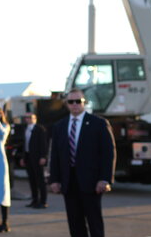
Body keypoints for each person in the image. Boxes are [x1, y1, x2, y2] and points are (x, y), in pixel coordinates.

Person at [49, 89, 116, 237]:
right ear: (66, 104)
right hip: (69, 183)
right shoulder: (59, 126)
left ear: (84, 103)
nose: (74, 105)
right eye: (70, 102)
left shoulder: (98, 123)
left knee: (94, 223)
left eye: (78, 101)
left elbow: (108, 153)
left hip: (91, 183)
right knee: (75, 223)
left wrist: (105, 179)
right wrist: (54, 179)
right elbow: (55, 155)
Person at [22, 113, 49, 209]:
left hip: (38, 157)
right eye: (27, 117)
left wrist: (43, 156)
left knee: (40, 180)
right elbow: (24, 144)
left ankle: (43, 201)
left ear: (35, 119)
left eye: (30, 117)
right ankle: (35, 200)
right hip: (29, 157)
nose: (28, 119)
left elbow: (44, 144)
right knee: (32, 179)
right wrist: (23, 157)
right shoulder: (26, 129)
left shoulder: (40, 129)